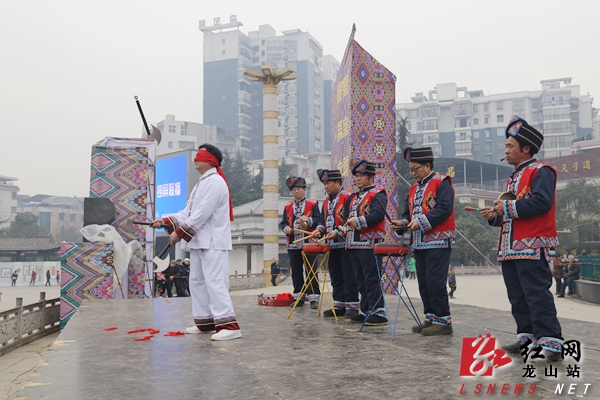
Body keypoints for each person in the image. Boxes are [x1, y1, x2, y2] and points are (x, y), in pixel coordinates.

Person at [480, 115, 563, 362]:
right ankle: (527, 337)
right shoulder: (514, 177)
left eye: (509, 146)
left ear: (526, 149)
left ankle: (551, 342)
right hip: (511, 247)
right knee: (517, 296)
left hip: (532, 244)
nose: (505, 151)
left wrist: (503, 208)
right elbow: (512, 212)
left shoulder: (542, 171)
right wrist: (494, 214)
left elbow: (540, 203)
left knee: (537, 294)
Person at [152, 143, 241, 341]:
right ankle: (205, 322)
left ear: (211, 160)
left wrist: (178, 233)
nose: (195, 160)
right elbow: (187, 212)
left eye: (200, 156)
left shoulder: (216, 182)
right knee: (197, 281)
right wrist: (166, 221)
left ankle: (230, 325)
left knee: (216, 282)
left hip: (213, 241)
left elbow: (201, 214)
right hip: (200, 241)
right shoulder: (201, 183)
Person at [391, 146, 455, 336]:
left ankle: (443, 320)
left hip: (438, 241)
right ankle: (431, 316)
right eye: (410, 170)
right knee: (424, 283)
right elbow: (407, 215)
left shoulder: (441, 182)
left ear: (427, 165)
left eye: (415, 169)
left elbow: (444, 208)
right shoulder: (413, 189)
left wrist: (421, 221)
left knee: (436, 281)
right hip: (419, 242)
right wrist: (402, 223)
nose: (413, 173)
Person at [342, 158, 388, 326]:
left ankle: (378, 311)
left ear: (371, 177)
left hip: (369, 243)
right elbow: (347, 219)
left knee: (371, 278)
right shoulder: (353, 198)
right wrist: (341, 229)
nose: (357, 179)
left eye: (361, 175)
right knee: (360, 279)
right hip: (354, 244)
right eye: (355, 176)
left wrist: (359, 222)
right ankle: (366, 310)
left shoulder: (378, 194)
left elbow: (378, 215)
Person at [314, 169, 359, 318]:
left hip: (346, 244)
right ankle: (339, 304)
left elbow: (350, 219)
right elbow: (322, 220)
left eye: (328, 183)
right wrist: (319, 231)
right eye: (324, 184)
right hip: (332, 245)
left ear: (338, 182)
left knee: (349, 275)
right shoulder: (326, 201)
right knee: (336, 275)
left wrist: (338, 232)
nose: (326, 186)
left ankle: (352, 305)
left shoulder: (349, 196)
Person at [280, 176, 323, 309]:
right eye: (293, 190)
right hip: (293, 244)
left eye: (299, 189)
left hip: (309, 243)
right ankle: (298, 297)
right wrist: (287, 229)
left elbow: (319, 220)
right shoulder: (288, 206)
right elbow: (283, 223)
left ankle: (314, 297)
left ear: (304, 189)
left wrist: (308, 220)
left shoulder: (313, 203)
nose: (296, 192)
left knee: (311, 270)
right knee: (296, 271)